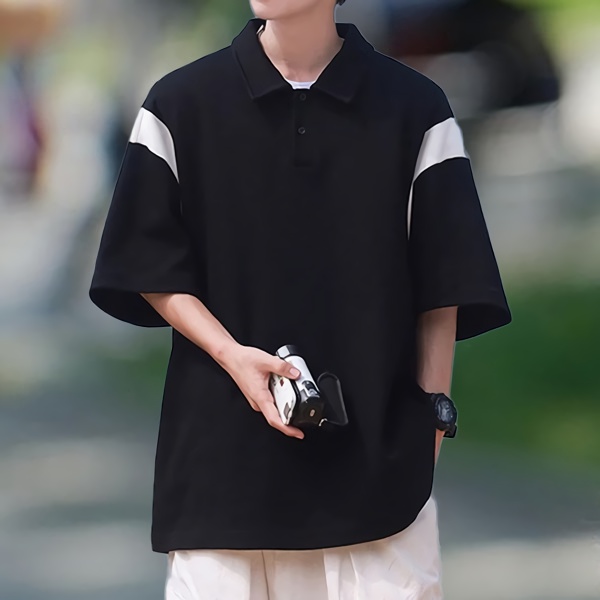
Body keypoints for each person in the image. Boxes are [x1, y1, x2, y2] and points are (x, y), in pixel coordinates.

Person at [90, 0, 512, 598]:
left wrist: (432, 421)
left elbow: (443, 287)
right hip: (221, 473)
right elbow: (146, 264)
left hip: (379, 480)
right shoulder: (180, 104)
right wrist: (233, 355)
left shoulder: (415, 108)